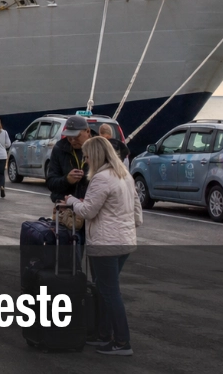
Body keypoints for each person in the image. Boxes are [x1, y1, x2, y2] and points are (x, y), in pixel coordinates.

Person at [60, 136, 142, 357]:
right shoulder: (124, 175)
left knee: (109, 292)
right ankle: (104, 335)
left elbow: (88, 211)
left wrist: (70, 201)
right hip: (124, 240)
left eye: (86, 156)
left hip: (106, 242)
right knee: (104, 289)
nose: (85, 161)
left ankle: (122, 341)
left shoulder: (101, 178)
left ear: (95, 155)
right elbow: (136, 208)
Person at [47, 115, 92, 205]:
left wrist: (85, 179)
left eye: (76, 136)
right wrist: (67, 180)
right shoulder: (59, 148)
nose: (72, 141)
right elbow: (51, 182)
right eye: (69, 137)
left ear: (87, 131)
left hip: (90, 205)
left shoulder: (99, 148)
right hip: (65, 204)